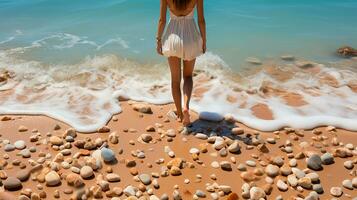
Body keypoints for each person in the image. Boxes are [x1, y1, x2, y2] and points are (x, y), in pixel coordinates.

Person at [156, 0, 206, 126]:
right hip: (191, 38)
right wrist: (204, 40)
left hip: (173, 38)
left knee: (175, 80)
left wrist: (158, 40)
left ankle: (179, 113)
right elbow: (201, 21)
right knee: (188, 76)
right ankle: (186, 107)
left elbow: (162, 20)